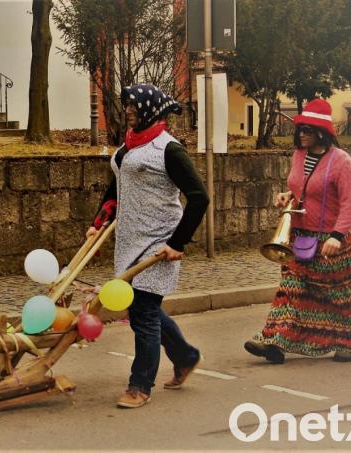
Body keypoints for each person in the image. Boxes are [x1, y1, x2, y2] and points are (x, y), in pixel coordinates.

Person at [87, 83, 209, 408]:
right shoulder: (127, 147)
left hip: (159, 241)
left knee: (143, 312)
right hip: (130, 240)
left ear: (150, 110)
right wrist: (98, 223)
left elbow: (199, 197)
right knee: (143, 308)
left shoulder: (169, 150)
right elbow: (117, 188)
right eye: (127, 104)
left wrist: (177, 243)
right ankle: (185, 356)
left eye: (134, 105)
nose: (128, 110)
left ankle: (140, 386)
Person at [244, 98, 351, 364]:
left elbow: (350, 203)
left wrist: (337, 236)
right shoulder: (299, 155)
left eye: (307, 130)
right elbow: (301, 187)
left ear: (321, 133)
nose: (301, 134)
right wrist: (287, 195)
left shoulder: (342, 161)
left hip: (331, 241)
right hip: (299, 238)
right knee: (290, 291)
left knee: (338, 295)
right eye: (299, 129)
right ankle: (273, 341)